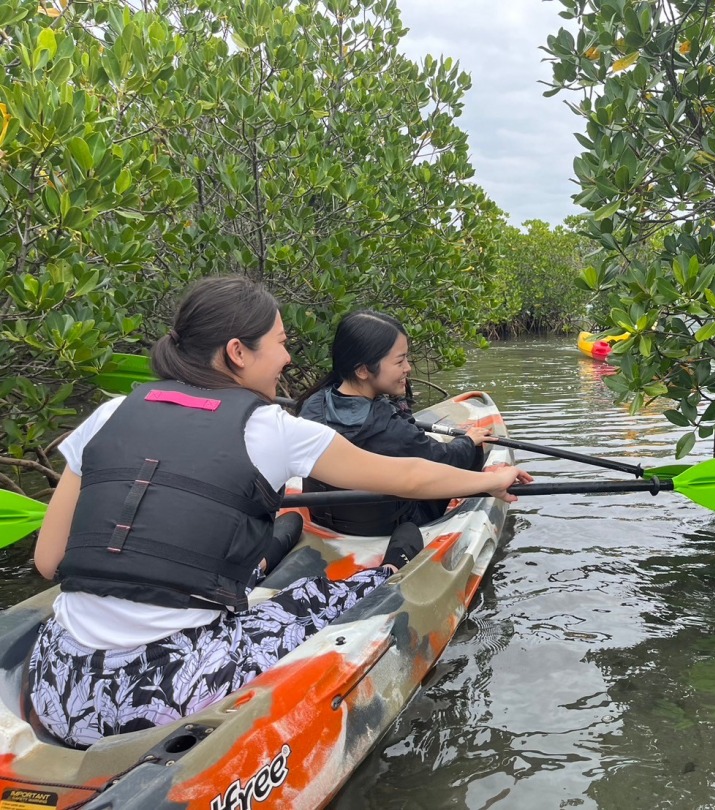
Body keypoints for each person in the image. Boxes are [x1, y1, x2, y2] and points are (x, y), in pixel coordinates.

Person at [28, 276, 531, 747]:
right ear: (237, 352)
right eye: (281, 343)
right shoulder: (268, 427)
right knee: (322, 596)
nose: (288, 358)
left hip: (56, 680)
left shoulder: (109, 412)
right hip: (162, 695)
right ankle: (394, 567)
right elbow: (411, 476)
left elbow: (49, 562)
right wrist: (492, 479)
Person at [295, 310, 491, 535]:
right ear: (362, 370)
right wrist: (468, 442)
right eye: (400, 361)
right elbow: (446, 460)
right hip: (392, 527)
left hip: (328, 522)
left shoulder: (312, 404)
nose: (408, 368)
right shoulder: (390, 429)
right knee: (468, 453)